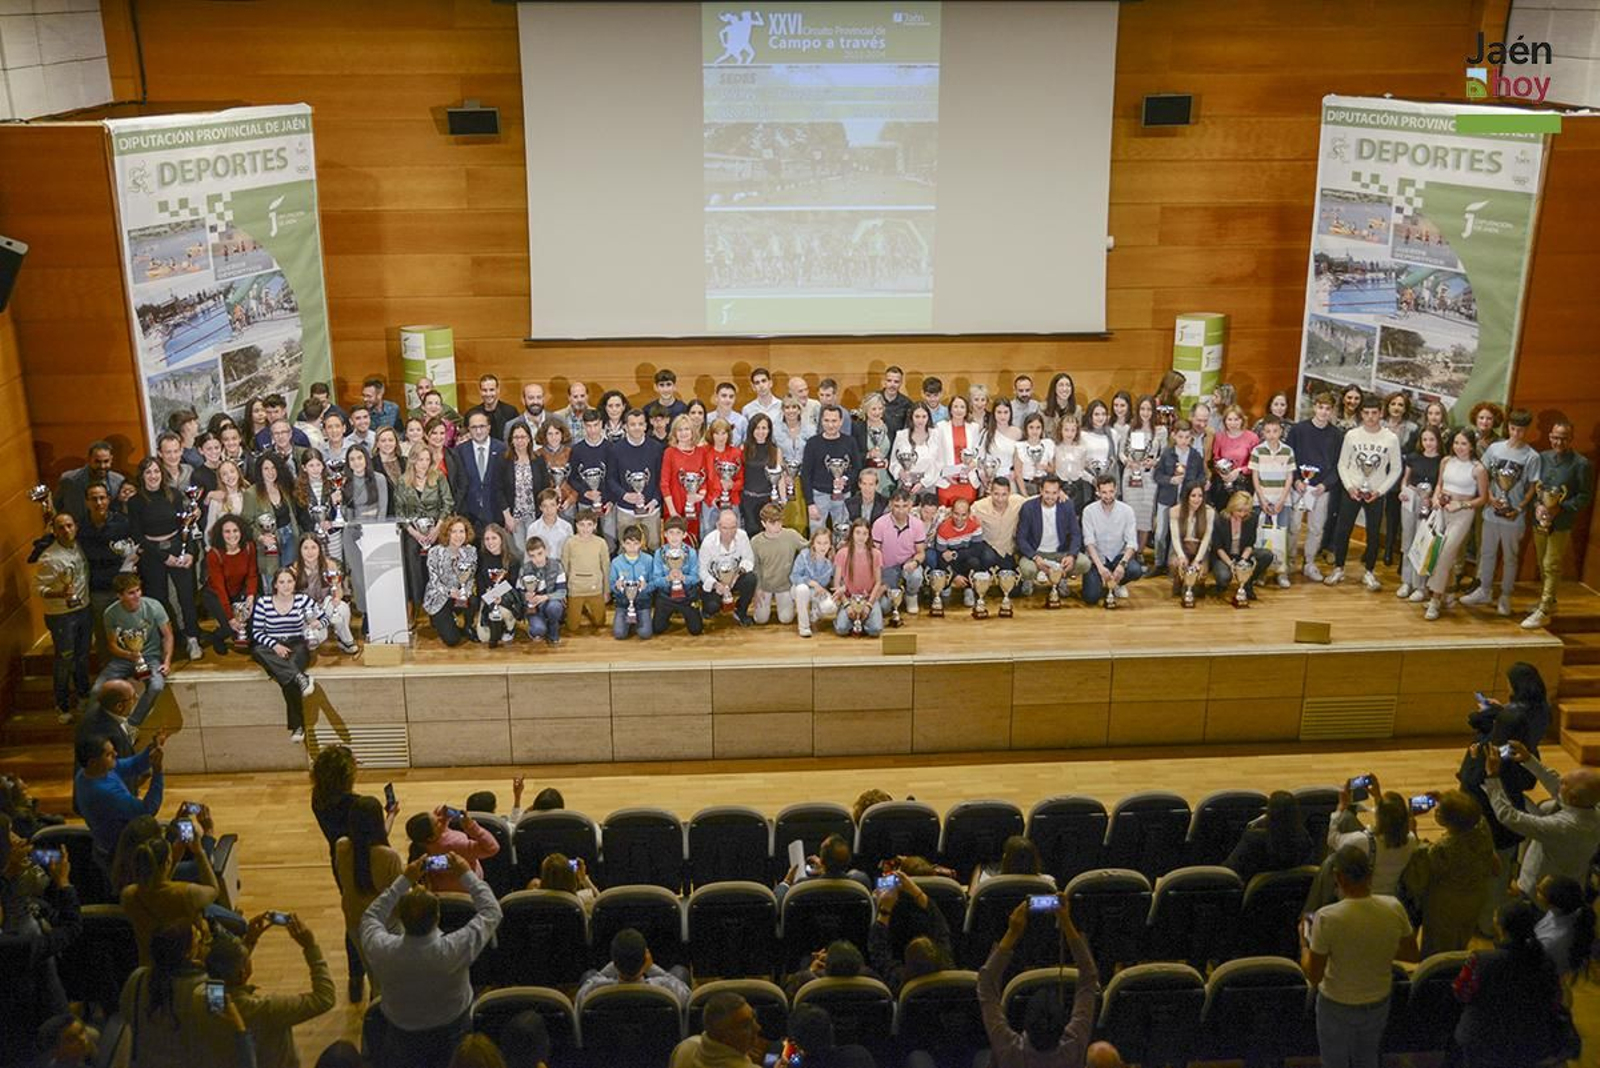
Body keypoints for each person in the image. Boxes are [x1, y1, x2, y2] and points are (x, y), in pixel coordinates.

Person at [359, 854, 503, 1068]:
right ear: (437, 916)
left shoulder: (383, 950)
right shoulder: (453, 949)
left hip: (401, 1035)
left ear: (401, 918)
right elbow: (492, 911)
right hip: (453, 1030)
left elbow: (370, 917)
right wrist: (465, 873)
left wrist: (404, 880)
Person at [1303, 845, 1416, 1068]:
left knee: (1334, 1062)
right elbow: (1412, 954)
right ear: (1370, 874)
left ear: (1338, 877)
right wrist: (1375, 945)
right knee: (1367, 1059)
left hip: (1336, 1004)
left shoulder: (1327, 917)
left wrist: (1304, 944)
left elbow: (1314, 975)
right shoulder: (1394, 907)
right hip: (1378, 1002)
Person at [976, 895, 1102, 1068]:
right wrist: (1066, 922)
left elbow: (986, 983)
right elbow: (1089, 977)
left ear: (1025, 1025)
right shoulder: (1074, 1046)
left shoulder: (1009, 1051)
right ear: (1062, 1027)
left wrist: (1012, 932)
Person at [118, 923, 257, 1068]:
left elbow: (125, 1015)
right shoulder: (211, 987)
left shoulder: (138, 977)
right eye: (201, 941)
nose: (207, 945)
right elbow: (225, 1033)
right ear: (190, 954)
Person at [1452, 899, 1568, 1068]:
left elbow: (1460, 993)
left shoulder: (1481, 960)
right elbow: (1554, 1000)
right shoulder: (1545, 962)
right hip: (1530, 1042)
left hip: (1482, 1039)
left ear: (1501, 928)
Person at [0, 829, 80, 1063]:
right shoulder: (17, 944)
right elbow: (72, 928)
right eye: (9, 836)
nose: (20, 839)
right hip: (41, 1040)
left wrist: (7, 873)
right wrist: (64, 883)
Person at [1483, 741, 1600, 895]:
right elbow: (1557, 786)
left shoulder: (1562, 826)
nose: (1559, 784)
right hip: (1572, 880)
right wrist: (1528, 760)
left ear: (1572, 798)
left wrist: (1493, 778)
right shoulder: (1590, 807)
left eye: (1564, 784)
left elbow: (1510, 817)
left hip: (1541, 889)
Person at [1403, 789, 1499, 956]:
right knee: (1462, 939)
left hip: (1445, 908)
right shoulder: (1481, 828)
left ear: (1446, 820)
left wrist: (1413, 833)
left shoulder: (1443, 849)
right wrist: (1448, 801)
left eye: (1439, 811)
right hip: (1475, 899)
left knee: (1437, 951)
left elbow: (1419, 875)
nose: (1436, 811)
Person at [1463, 408, 1539, 616]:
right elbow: (1483, 473)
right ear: (1508, 427)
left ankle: (1505, 595)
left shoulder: (1532, 456)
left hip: (1514, 516)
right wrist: (1488, 495)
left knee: (1510, 557)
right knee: (1487, 553)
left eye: (1521, 431)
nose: (1516, 434)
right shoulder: (1495, 449)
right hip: (1490, 511)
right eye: (1513, 429)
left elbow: (1533, 486)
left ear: (1526, 430)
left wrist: (1520, 507)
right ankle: (1484, 590)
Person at [128, 457, 204, 662]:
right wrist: (164, 557)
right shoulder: (135, 502)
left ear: (162, 474)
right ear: (142, 476)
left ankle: (192, 638)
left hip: (178, 547)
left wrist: (189, 552)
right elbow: (137, 536)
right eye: (148, 472)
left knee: (187, 597)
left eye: (156, 472)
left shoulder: (175, 495)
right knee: (157, 600)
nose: (153, 476)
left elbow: (186, 526)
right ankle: (167, 641)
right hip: (152, 554)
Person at [1326, 393, 1400, 591]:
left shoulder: (1391, 438)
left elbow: (1396, 469)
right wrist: (1350, 487)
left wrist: (1380, 491)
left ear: (1381, 413)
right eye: (1366, 413)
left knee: (1374, 533)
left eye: (1374, 413)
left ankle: (1369, 572)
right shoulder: (1352, 435)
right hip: (1352, 490)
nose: (1370, 417)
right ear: (1361, 414)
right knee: (1343, 529)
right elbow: (1343, 464)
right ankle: (1339, 568)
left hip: (1375, 493)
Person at [1523, 416, 1592, 629]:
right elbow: (1536, 486)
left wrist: (1560, 507)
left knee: (1551, 564)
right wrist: (1537, 506)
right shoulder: (1542, 457)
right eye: (1554, 437)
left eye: (1563, 438)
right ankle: (1549, 600)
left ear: (1571, 438)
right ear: (1549, 436)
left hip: (1561, 522)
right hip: (1539, 519)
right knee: (1542, 561)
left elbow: (1584, 495)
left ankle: (1543, 609)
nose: (1558, 442)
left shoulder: (1581, 464)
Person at [335, 796, 403, 1002]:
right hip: (386, 923)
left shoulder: (342, 847)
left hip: (355, 922)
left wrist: (391, 815)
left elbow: (367, 845)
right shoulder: (389, 857)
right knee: (394, 976)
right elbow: (400, 893)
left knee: (373, 974)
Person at [121, 826, 220, 965]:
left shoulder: (128, 895)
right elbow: (214, 890)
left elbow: (157, 887)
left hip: (151, 965)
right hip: (190, 965)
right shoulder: (186, 893)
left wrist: (173, 861)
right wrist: (199, 852)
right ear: (167, 862)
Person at [250, 568, 324, 744]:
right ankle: (300, 677)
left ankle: (297, 726)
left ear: (294, 583)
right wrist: (274, 645)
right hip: (272, 645)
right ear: (275, 584)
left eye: (289, 581)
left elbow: (325, 617)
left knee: (287, 676)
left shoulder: (303, 600)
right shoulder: (264, 602)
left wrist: (317, 623)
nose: (286, 586)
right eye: (281, 582)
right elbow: (257, 632)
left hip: (296, 644)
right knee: (258, 650)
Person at [1421, 428, 1488, 620]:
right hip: (1441, 511)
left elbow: (1482, 498)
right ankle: (1448, 593)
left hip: (1462, 515)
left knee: (1444, 555)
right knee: (1440, 553)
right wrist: (1435, 497)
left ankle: (1434, 601)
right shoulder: (1446, 461)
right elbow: (1440, 484)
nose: (1459, 447)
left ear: (1472, 446)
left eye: (1464, 444)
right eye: (1456, 443)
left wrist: (1462, 504)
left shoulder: (1478, 469)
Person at [73, 731, 165, 870]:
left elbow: (132, 765)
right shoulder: (103, 793)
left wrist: (153, 747)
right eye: (109, 754)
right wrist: (158, 772)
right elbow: (147, 811)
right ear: (93, 762)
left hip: (117, 846)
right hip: (122, 856)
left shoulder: (91, 771)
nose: (116, 754)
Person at [92, 573, 173, 728]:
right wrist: (129, 655)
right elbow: (112, 644)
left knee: (156, 685)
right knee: (97, 689)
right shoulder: (111, 613)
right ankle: (99, 728)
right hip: (123, 658)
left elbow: (168, 636)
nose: (137, 596)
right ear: (119, 595)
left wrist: (167, 661)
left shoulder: (153, 606)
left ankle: (130, 726)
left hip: (150, 657)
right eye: (131, 593)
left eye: (138, 590)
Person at [35, 512, 92, 723]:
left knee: (82, 656)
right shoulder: (49, 557)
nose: (66, 530)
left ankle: (84, 696)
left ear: (75, 526)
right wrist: (60, 593)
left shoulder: (79, 546)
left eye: (69, 525)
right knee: (64, 659)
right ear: (54, 530)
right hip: (61, 615)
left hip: (83, 609)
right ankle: (62, 704)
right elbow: (39, 588)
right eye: (61, 527)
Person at [1287, 391, 1345, 580]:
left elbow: (1339, 465)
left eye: (1328, 409)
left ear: (1332, 411)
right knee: (1293, 526)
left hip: (1321, 489)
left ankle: (1309, 562)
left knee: (1316, 528)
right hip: (1299, 487)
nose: (1324, 412)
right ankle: (1289, 561)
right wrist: (1296, 479)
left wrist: (1325, 485)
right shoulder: (1298, 430)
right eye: (1320, 407)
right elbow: (1289, 457)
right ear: (1314, 407)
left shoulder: (1336, 435)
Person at [1325, 781, 1417, 896]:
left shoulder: (1361, 842)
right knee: (1348, 819)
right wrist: (1378, 798)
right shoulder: (1412, 840)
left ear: (1378, 816)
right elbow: (1392, 821)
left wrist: (1340, 808)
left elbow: (1332, 839)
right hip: (1390, 898)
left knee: (1345, 819)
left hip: (1361, 896)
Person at [77, 481, 136, 661]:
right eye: (94, 499)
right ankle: (108, 669)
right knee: (103, 633)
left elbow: (133, 551)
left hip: (122, 587)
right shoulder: (80, 527)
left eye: (102, 498)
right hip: (97, 589)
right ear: (87, 502)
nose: (99, 502)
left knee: (129, 629)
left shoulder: (122, 523)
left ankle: (131, 666)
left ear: (109, 500)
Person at [869, 873, 954, 994]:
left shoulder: (899, 983)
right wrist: (918, 893)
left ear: (908, 960)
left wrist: (885, 908)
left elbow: (879, 951)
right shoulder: (950, 973)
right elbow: (941, 929)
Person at [396, 444, 454, 613]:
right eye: (420, 459)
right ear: (413, 460)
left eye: (427, 459)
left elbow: (448, 503)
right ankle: (415, 603)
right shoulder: (403, 480)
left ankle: (440, 605)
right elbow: (399, 511)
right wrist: (413, 532)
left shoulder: (438, 477)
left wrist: (437, 529)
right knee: (411, 561)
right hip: (413, 531)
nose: (423, 463)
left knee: (438, 563)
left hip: (436, 527)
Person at [577, 927, 691, 1006]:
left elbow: (580, 997)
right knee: (679, 971)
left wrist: (617, 959)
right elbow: (687, 997)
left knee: (589, 975)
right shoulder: (666, 988)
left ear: (614, 963)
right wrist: (651, 967)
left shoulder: (593, 992)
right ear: (646, 959)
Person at [1394, 425, 1443, 601]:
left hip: (1429, 503)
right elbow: (1405, 481)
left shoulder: (1442, 461)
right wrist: (1403, 491)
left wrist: (1432, 498)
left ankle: (1420, 586)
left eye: (1432, 439)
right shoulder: (1413, 458)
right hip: (1411, 500)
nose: (1428, 443)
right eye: (1425, 440)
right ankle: (1406, 581)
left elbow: (1440, 484)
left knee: (1422, 544)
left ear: (1438, 440)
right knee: (1407, 541)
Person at [200, 516, 260, 658]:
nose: (232, 535)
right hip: (215, 595)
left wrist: (251, 597)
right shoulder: (213, 555)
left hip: (238, 592)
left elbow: (252, 575)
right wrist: (230, 618)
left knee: (248, 625)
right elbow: (220, 588)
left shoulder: (249, 547)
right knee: (230, 628)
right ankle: (217, 636)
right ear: (220, 534)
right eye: (227, 532)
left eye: (235, 530)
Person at [1225, 790, 1315, 882]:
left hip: (1256, 894)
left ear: (1269, 813)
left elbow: (1228, 870)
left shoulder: (1253, 839)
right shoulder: (1304, 839)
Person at [1081, 474, 1143, 606]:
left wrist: (1122, 565)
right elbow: (1089, 542)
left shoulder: (1127, 511)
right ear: (1097, 492)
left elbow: (1132, 542)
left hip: (1118, 557)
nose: (1108, 496)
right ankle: (1103, 581)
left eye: (1111, 492)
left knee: (1135, 570)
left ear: (1116, 490)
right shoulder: (1088, 511)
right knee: (1091, 598)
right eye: (1104, 492)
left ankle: (1117, 583)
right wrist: (1100, 568)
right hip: (1097, 559)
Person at [803, 405, 861, 537]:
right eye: (827, 421)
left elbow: (857, 468)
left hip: (843, 496)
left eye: (834, 421)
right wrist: (810, 503)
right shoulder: (813, 443)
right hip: (818, 496)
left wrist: (845, 480)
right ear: (821, 421)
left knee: (843, 534)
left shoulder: (850, 441)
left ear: (841, 421)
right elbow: (806, 474)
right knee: (816, 535)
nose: (830, 425)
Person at [669, 991, 764, 1068]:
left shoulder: (684, 1049)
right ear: (722, 1036)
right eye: (745, 1026)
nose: (757, 1028)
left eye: (754, 1017)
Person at [449, 411, 508, 536]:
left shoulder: (502, 449)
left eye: (482, 426)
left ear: (489, 427)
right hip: (469, 515)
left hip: (496, 513)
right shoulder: (460, 451)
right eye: (474, 427)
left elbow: (506, 482)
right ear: (468, 429)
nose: (478, 431)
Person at [748, 504, 806, 626]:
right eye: (773, 523)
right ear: (764, 523)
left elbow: (808, 547)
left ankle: (783, 604)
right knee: (761, 620)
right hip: (765, 586)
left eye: (779, 521)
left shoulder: (791, 535)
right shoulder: (755, 542)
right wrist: (757, 589)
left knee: (786, 619)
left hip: (784, 586)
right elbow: (755, 567)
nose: (777, 525)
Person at [1210, 490, 1271, 604]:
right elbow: (1218, 547)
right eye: (1239, 511)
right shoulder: (1220, 519)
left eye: (1246, 511)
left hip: (1242, 554)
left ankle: (1247, 582)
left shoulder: (1252, 519)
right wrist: (1231, 564)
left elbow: (1250, 544)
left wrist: (1242, 562)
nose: (1242, 514)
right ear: (1232, 507)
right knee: (1224, 577)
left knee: (1266, 555)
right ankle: (1221, 586)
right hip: (1224, 556)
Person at [424, 516, 477, 647]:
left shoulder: (471, 551)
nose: (458, 536)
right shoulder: (434, 552)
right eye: (454, 532)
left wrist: (465, 592)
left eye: (461, 531)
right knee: (452, 640)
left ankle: (467, 626)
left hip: (458, 595)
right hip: (439, 597)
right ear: (447, 533)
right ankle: (440, 620)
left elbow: (470, 577)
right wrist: (449, 592)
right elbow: (434, 580)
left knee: (474, 600)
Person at [871, 488, 925, 614]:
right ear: (890, 505)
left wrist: (915, 563)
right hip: (887, 567)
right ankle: (893, 596)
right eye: (897, 506)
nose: (901, 510)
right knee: (885, 608)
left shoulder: (917, 524)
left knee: (916, 575)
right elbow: (874, 553)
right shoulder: (879, 524)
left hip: (907, 564)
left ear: (911, 505)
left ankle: (911, 595)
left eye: (905, 506)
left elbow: (921, 552)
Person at [1533, 874, 1593, 982]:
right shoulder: (1563, 911)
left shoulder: (1554, 940)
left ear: (1553, 903)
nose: (1536, 887)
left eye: (1541, 891)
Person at [661, 414, 712, 542]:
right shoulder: (670, 452)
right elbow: (664, 483)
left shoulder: (701, 452)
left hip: (693, 507)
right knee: (673, 545)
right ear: (674, 433)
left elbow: (705, 478)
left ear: (692, 431)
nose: (684, 433)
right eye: (680, 430)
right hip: (674, 507)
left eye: (687, 429)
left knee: (691, 542)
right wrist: (673, 512)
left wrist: (700, 495)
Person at [53, 440, 128, 524]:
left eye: (106, 461)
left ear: (111, 459)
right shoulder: (69, 480)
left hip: (108, 532)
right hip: (78, 532)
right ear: (88, 459)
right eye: (97, 462)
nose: (102, 466)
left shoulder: (119, 481)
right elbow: (56, 506)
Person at [472, 524, 523, 649]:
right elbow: (479, 583)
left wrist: (499, 597)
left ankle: (510, 628)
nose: (490, 542)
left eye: (494, 538)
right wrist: (487, 598)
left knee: (502, 611)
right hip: (487, 597)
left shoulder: (512, 560)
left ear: (501, 538)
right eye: (487, 539)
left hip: (506, 599)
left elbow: (511, 586)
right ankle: (496, 624)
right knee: (483, 638)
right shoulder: (481, 557)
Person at [832, 518, 885, 637]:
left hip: (868, 597)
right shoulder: (842, 553)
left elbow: (878, 582)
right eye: (858, 533)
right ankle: (851, 619)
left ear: (869, 535)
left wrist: (869, 605)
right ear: (852, 534)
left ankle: (863, 621)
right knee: (841, 629)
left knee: (875, 630)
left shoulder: (876, 554)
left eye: (865, 533)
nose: (861, 537)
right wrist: (846, 605)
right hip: (849, 598)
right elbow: (836, 583)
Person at [559, 509, 608, 632]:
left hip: (595, 588)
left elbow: (606, 568)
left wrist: (606, 591)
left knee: (600, 623)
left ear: (595, 526)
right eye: (581, 525)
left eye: (589, 525)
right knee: (572, 627)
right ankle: (578, 609)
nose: (585, 529)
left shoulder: (601, 543)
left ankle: (587, 608)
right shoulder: (570, 543)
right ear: (576, 525)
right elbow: (564, 567)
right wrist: (562, 590)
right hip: (575, 589)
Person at [1167, 482, 1213, 605]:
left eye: (1200, 496)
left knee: (1202, 571)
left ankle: (1194, 586)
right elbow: (1175, 538)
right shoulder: (1174, 511)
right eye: (1193, 495)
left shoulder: (1209, 512)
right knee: (1175, 563)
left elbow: (1206, 539)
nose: (1197, 499)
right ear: (1186, 496)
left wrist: (1197, 560)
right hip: (1181, 547)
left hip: (1199, 548)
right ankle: (1180, 583)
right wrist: (1181, 556)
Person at [518, 535, 566, 646]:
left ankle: (553, 628)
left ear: (546, 550)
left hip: (550, 603)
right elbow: (519, 592)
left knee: (555, 607)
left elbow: (562, 592)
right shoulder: (524, 569)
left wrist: (544, 597)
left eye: (540, 553)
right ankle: (538, 628)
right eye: (532, 556)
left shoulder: (557, 566)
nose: (537, 559)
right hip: (534, 608)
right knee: (538, 630)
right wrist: (526, 596)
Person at [789, 527, 836, 639]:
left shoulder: (831, 560)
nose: (822, 546)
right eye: (819, 543)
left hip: (818, 591)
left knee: (831, 606)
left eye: (826, 543)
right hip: (800, 588)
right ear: (813, 543)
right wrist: (813, 583)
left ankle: (815, 612)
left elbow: (833, 580)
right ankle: (804, 626)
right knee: (802, 590)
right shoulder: (804, 555)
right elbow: (794, 576)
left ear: (830, 544)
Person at [464, 373, 516, 441]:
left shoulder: (511, 412)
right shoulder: (471, 414)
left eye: (491, 390)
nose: (488, 394)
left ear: (498, 390)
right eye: (484, 390)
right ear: (480, 391)